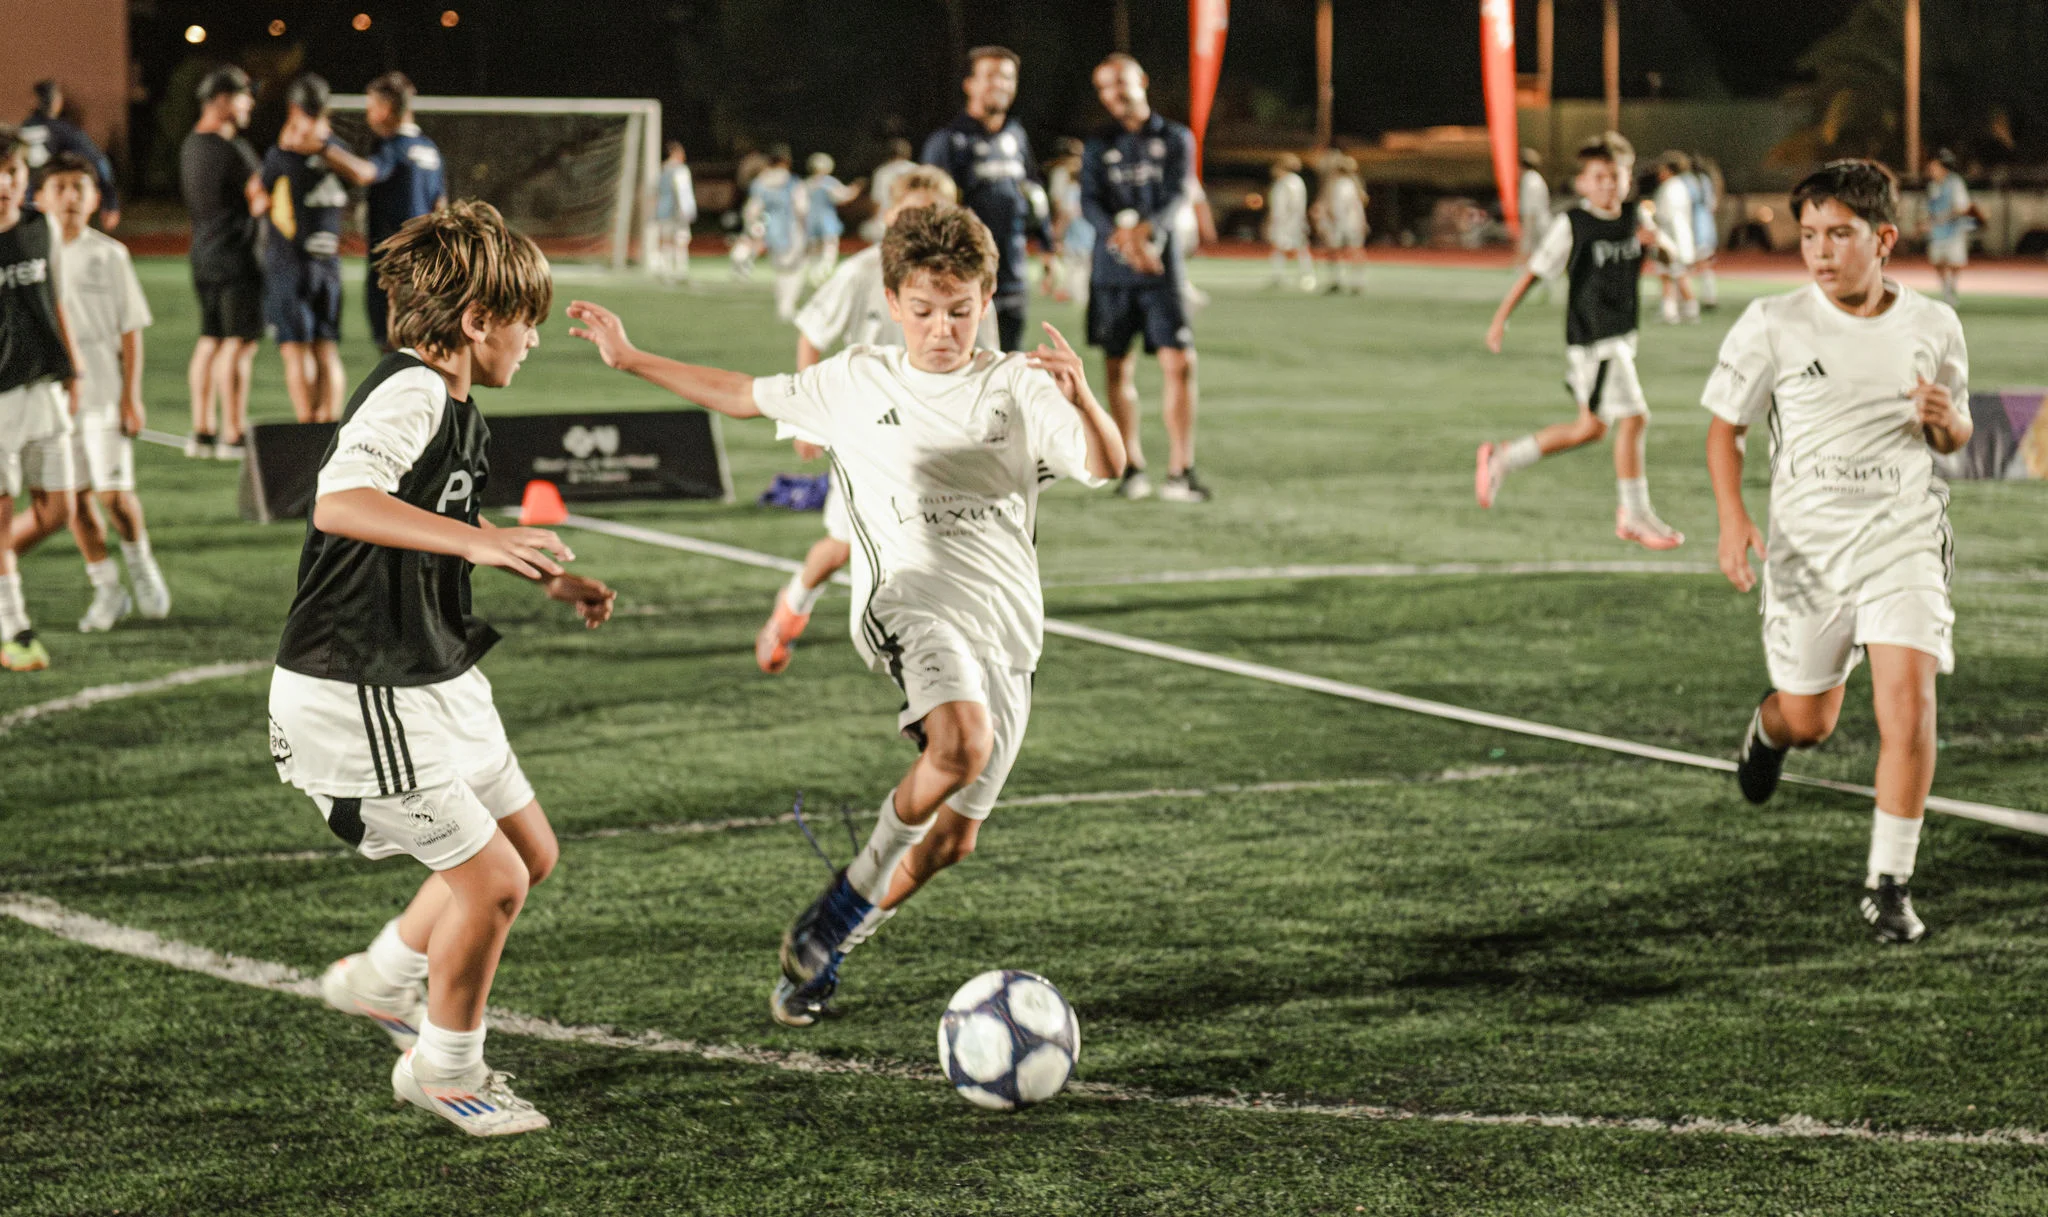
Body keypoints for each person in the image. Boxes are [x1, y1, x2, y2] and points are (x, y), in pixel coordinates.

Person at [563, 204, 1123, 1029]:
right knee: (960, 744)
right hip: (907, 600)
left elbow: (1106, 464)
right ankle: (841, 903)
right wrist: (631, 357)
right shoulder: (856, 379)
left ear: (987, 295)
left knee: (952, 842)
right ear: (893, 300)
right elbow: (742, 394)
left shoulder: (1017, 383)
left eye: (961, 310)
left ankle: (826, 950)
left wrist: (1086, 399)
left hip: (1006, 628)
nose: (943, 330)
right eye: (925, 311)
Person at [270, 200, 616, 1136]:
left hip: (430, 671)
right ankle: (446, 1067)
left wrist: (544, 571)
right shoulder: (416, 390)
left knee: (531, 855)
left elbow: (438, 536)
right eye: (525, 319)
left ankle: (381, 980)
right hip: (359, 686)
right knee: (494, 882)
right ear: (475, 321)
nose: (534, 338)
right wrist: (481, 537)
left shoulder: (457, 405)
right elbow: (342, 501)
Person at [1706, 159, 1970, 945]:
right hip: (1807, 555)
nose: (1820, 251)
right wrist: (1731, 517)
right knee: (1812, 719)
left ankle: (1888, 884)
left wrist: (1943, 419)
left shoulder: (1933, 326)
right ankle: (1769, 727)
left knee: (1908, 703)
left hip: (1903, 540)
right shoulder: (1772, 322)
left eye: (1840, 234)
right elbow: (1726, 428)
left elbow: (1955, 436)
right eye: (1810, 235)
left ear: (1884, 238)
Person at [755, 169, 997, 674]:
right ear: (887, 216)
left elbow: (984, 360)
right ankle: (793, 605)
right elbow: (812, 331)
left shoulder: (963, 284)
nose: (915, 225)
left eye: (929, 216)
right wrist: (808, 420)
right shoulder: (865, 270)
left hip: (935, 439)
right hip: (867, 435)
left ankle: (933, 656)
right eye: (907, 214)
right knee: (842, 547)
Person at [1476, 133, 1684, 551]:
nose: (1608, 184)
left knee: (1590, 429)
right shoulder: (1573, 225)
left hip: (1623, 338)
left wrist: (1658, 244)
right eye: (1599, 177)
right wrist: (1500, 320)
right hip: (1593, 341)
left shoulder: (1635, 218)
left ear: (1628, 180)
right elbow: (1534, 272)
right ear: (1583, 183)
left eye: (1616, 176)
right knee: (1636, 418)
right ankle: (1634, 514)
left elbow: (1671, 258)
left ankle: (1503, 458)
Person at [12, 154, 169, 632]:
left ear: (96, 198)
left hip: (103, 394)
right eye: (59, 187)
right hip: (55, 403)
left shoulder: (110, 255)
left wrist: (132, 397)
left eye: (80, 187)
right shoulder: (29, 255)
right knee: (76, 502)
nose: (71, 197)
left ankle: (141, 565)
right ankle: (106, 588)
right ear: (39, 197)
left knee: (114, 495)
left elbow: (130, 331)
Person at [1083, 53, 1207, 503]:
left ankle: (1181, 469)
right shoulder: (1098, 142)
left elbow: (1178, 195)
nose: (1113, 94)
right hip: (1112, 272)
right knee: (1118, 365)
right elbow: (1090, 202)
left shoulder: (1174, 137)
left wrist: (1147, 233)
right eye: (1104, 87)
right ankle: (1130, 465)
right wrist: (1125, 240)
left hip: (1162, 268)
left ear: (1142, 80)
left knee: (1181, 362)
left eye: (1119, 82)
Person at [0, 125, 83, 673]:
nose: (7, 183)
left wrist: (71, 369)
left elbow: (53, 301)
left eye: (14, 173)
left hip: (44, 392)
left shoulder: (39, 227)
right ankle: (14, 629)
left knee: (59, 511)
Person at [921, 46, 1054, 351]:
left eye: (1008, 77)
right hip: (966, 280)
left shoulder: (1016, 136)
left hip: (1012, 276)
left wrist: (1047, 246)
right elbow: (930, 215)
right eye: (991, 76)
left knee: (1009, 371)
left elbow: (1033, 192)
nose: (1001, 84)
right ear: (969, 84)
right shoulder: (948, 142)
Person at [264, 74, 377, 425]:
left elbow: (257, 197)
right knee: (327, 351)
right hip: (328, 264)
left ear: (293, 107)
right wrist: (326, 147)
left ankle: (307, 426)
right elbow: (363, 175)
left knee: (297, 353)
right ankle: (329, 426)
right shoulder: (336, 151)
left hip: (289, 262)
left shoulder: (283, 155)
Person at [178, 66, 264, 460]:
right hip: (236, 257)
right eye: (244, 96)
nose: (250, 103)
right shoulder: (233, 149)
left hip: (203, 254)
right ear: (223, 100)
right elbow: (260, 199)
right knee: (239, 344)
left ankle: (202, 431)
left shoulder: (191, 145)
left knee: (209, 340)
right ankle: (233, 433)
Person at [361, 73, 447, 350]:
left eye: (371, 107)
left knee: (394, 349)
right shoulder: (430, 149)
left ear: (386, 110)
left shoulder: (391, 148)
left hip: (392, 267)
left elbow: (366, 173)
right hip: (424, 266)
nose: (369, 115)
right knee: (423, 347)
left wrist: (325, 147)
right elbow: (441, 206)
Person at [20, 81, 119, 229]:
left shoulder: (20, 132)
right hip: (52, 207)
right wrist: (111, 202)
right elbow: (99, 162)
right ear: (56, 102)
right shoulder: (64, 131)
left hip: (21, 208)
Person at [744, 145, 808, 321]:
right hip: (792, 230)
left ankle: (782, 305)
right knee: (795, 269)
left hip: (771, 230)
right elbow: (802, 208)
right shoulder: (792, 182)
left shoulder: (760, 182)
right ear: (786, 161)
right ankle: (788, 305)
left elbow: (752, 211)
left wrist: (755, 231)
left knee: (779, 270)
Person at [1650, 151, 1698, 324]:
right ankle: (1681, 310)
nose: (1659, 173)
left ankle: (1676, 311)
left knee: (1671, 275)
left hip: (1671, 239)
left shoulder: (1669, 187)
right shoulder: (1681, 186)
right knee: (1676, 275)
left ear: (1669, 170)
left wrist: (1651, 218)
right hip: (1680, 238)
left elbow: (1664, 215)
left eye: (1662, 169)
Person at [1042, 137, 1092, 306]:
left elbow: (1065, 212)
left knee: (1078, 275)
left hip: (1078, 237)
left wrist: (1056, 233)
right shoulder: (1078, 183)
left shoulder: (1075, 187)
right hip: (1085, 236)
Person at [1922, 150, 1973, 307]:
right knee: (1938, 261)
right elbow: (1929, 209)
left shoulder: (1955, 183)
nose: (1931, 169)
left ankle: (1952, 285)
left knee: (1955, 262)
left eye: (1934, 166)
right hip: (1937, 231)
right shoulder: (1932, 186)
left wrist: (1945, 216)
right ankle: (1946, 288)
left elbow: (1962, 207)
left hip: (1954, 230)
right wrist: (1926, 223)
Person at [1315, 151, 1369, 295]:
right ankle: (1358, 282)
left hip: (1342, 224)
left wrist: (1328, 223)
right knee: (1355, 252)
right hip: (1354, 223)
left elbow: (1336, 208)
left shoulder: (1341, 185)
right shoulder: (1354, 184)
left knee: (1334, 252)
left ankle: (1337, 280)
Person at [802, 152, 860, 285]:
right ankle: (824, 270)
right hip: (826, 218)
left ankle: (812, 271)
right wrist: (855, 190)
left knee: (814, 247)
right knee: (830, 245)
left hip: (810, 219)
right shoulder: (828, 182)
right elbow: (842, 197)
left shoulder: (807, 183)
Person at [1265, 153, 1313, 291]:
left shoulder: (1291, 182)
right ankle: (1278, 275)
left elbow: (1291, 205)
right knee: (1281, 248)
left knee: (1297, 248)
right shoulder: (1286, 181)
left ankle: (1306, 274)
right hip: (1288, 221)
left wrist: (1285, 221)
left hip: (1289, 222)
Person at [654, 140, 696, 284]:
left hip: (663, 210)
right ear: (676, 153)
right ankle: (680, 271)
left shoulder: (663, 169)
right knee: (681, 241)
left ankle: (664, 270)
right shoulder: (680, 170)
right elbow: (682, 192)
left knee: (666, 242)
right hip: (676, 211)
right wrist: (687, 211)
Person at [861, 139, 915, 242]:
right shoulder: (917, 170)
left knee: (868, 230)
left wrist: (875, 219)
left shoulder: (882, 172)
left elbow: (877, 200)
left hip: (886, 221)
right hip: (913, 219)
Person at [1516, 146, 1550, 302]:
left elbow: (1531, 210)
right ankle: (1542, 286)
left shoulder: (1530, 180)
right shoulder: (1536, 178)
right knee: (1540, 256)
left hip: (1538, 224)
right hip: (1542, 222)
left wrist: (1526, 231)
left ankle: (1530, 285)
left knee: (1536, 255)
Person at [1688, 153, 1721, 310]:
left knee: (1686, 265)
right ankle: (1709, 297)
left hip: (1694, 227)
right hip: (1707, 225)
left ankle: (1686, 300)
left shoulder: (1689, 182)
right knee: (1706, 264)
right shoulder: (1706, 181)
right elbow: (1712, 204)